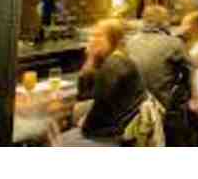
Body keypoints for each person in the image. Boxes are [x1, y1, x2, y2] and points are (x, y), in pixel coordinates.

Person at [61, 18, 146, 146]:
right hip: (116, 126)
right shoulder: (115, 59)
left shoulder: (114, 65)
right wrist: (91, 61)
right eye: (92, 35)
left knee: (56, 141)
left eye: (99, 36)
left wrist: (83, 125)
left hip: (114, 135)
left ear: (113, 39)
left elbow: (99, 111)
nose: (92, 40)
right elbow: (85, 95)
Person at [126, 6, 192, 146]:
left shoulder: (129, 42)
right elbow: (192, 72)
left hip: (130, 109)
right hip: (161, 109)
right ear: (165, 22)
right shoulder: (174, 43)